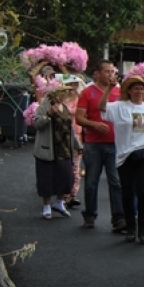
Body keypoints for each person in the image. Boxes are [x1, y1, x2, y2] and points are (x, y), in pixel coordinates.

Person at [99, 75, 144, 245]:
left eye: (142, 88)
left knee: (143, 192)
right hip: (125, 155)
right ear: (128, 91)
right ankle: (130, 228)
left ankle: (143, 229)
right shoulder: (119, 107)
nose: (139, 91)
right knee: (127, 192)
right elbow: (101, 108)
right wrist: (108, 88)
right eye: (135, 88)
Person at [75, 60, 125, 231]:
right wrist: (94, 125)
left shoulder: (119, 92)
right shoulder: (87, 92)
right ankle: (90, 215)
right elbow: (79, 118)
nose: (111, 74)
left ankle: (118, 218)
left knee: (116, 182)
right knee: (91, 181)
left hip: (114, 143)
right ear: (97, 74)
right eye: (106, 71)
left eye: (113, 71)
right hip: (94, 143)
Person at [33, 83, 82, 219]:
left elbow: (70, 128)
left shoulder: (64, 107)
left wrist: (78, 145)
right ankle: (46, 205)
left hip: (64, 147)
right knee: (46, 177)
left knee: (66, 177)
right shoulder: (44, 106)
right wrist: (48, 115)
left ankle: (59, 202)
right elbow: (37, 124)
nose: (64, 95)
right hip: (49, 147)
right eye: (61, 93)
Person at [62, 75, 85, 209]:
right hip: (62, 134)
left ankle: (72, 194)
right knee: (64, 164)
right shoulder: (59, 98)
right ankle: (63, 194)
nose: (73, 86)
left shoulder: (80, 98)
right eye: (71, 83)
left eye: (75, 84)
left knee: (75, 166)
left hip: (76, 133)